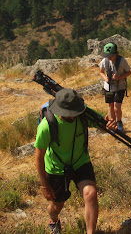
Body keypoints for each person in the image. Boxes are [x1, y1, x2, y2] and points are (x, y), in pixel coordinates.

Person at [35, 88, 117, 234]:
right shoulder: (46, 126)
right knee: (57, 206)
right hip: (57, 168)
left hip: (80, 161)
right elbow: (39, 157)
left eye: (75, 113)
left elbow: (102, 126)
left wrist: (109, 125)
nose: (73, 117)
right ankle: (53, 219)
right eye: (69, 114)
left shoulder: (82, 114)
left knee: (90, 194)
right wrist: (44, 185)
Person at [99, 42, 131, 132]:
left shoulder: (122, 61)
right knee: (111, 107)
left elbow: (129, 72)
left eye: (110, 56)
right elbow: (101, 71)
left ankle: (119, 122)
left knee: (117, 107)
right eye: (107, 55)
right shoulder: (104, 61)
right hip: (108, 88)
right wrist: (105, 78)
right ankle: (113, 124)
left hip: (120, 87)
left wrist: (119, 77)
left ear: (115, 53)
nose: (108, 57)